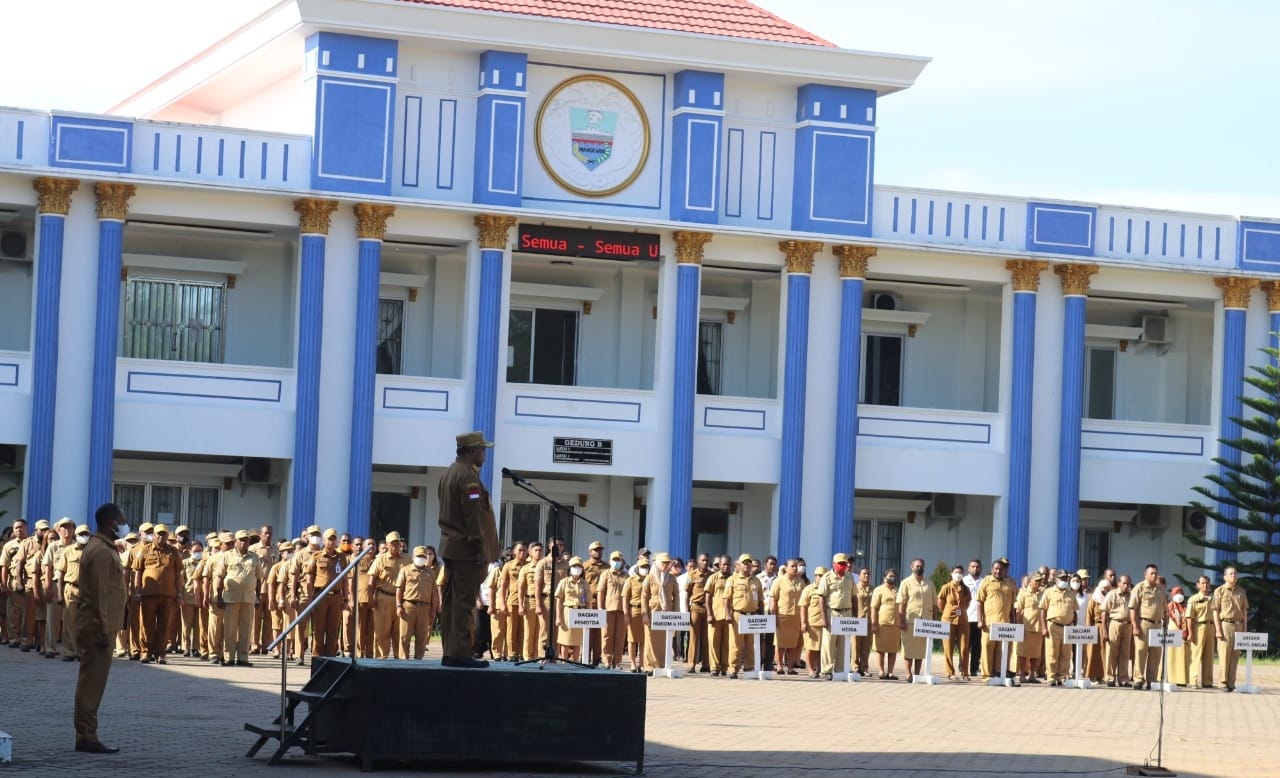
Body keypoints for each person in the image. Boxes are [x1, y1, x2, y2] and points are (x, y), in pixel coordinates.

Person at [436, 430, 500, 668]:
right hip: (467, 549)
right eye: (482, 449)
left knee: (453, 603)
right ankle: (461, 654)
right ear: (472, 451)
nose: (484, 454)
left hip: (453, 546)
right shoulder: (468, 478)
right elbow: (472, 517)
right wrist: (479, 545)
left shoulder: (450, 473)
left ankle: (451, 651)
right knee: (464, 603)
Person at [74, 503, 128, 754]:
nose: (126, 525)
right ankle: (87, 735)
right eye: (122, 521)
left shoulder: (104, 548)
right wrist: (104, 630)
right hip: (98, 629)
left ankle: (87, 733)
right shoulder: (102, 552)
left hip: (100, 626)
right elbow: (98, 596)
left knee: (93, 681)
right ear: (112, 524)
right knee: (91, 683)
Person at [212, 529, 265, 667]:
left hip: (248, 598)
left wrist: (257, 597)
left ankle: (243, 657)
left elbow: (258, 578)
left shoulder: (254, 557)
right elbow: (220, 577)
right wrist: (218, 597)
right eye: (240, 540)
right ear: (236, 542)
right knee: (230, 628)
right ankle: (228, 656)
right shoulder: (227, 556)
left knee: (246, 629)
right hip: (230, 597)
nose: (243, 542)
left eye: (246, 540)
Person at [132, 523, 183, 664]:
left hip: (168, 596)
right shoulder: (144, 550)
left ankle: (161, 653)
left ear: (167, 536)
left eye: (164, 534)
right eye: (159, 534)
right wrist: (137, 591)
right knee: (146, 624)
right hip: (148, 595)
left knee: (164, 625)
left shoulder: (173, 552)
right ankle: (146, 652)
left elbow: (178, 574)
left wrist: (179, 594)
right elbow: (138, 572)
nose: (161, 537)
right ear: (154, 535)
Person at [303, 528, 349, 659]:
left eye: (333, 539)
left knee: (333, 629)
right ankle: (317, 658)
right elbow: (309, 578)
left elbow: (345, 580)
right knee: (318, 629)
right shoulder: (316, 556)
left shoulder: (341, 558)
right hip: (320, 595)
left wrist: (346, 599)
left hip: (336, 596)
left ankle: (330, 659)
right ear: (323, 541)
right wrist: (310, 598)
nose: (331, 542)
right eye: (329, 539)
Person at [367, 531, 408, 658]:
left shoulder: (408, 559)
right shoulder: (380, 559)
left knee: (400, 634)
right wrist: (370, 598)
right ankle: (380, 662)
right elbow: (372, 581)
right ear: (387, 544)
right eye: (392, 543)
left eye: (397, 542)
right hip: (383, 599)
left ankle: (400, 664)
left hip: (402, 601)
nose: (395, 545)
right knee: (381, 633)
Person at [814, 553, 855, 679]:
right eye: (840, 563)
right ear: (834, 564)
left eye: (845, 563)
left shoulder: (849, 577)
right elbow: (821, 598)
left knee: (844, 643)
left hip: (847, 613)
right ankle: (826, 671)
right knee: (829, 643)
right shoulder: (827, 577)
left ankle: (841, 670)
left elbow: (854, 596)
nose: (843, 566)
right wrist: (823, 618)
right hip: (832, 613)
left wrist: (856, 616)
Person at [396, 546, 440, 659]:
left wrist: (433, 610)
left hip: (424, 608)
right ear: (413, 556)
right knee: (404, 637)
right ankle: (403, 662)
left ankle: (418, 662)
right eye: (419, 556)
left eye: (423, 556)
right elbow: (399, 589)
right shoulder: (405, 570)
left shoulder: (430, 572)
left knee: (422, 638)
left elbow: (434, 593)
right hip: (408, 606)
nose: (421, 558)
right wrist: (398, 605)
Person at [976, 557, 1017, 681]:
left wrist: (1014, 621)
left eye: (1000, 569)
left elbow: (1012, 605)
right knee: (988, 649)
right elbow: (979, 602)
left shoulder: (1009, 583)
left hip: (1004, 622)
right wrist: (980, 620)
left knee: (1002, 650)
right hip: (988, 623)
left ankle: (999, 673)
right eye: (996, 569)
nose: (998, 571)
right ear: (992, 569)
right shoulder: (986, 582)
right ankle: (987, 675)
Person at [1129, 563, 1168, 690]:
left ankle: (1152, 679)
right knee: (1141, 651)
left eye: (1156, 573)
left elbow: (1165, 608)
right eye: (1152, 573)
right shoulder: (1139, 588)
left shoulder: (1160, 589)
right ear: (1145, 574)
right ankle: (1139, 679)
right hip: (1143, 623)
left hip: (1157, 624)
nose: (1154, 575)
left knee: (1156, 653)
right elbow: (1132, 608)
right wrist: (1135, 625)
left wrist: (1165, 623)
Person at [55, 524, 90, 661]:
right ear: (76, 535)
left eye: (86, 534)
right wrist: (59, 593)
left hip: (88, 591)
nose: (83, 537)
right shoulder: (68, 551)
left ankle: (81, 651)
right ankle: (69, 652)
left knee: (85, 623)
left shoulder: (93, 552)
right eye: (81, 534)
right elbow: (60, 573)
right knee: (69, 622)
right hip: (71, 588)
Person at [897, 558, 936, 682]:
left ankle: (917, 674)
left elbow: (934, 604)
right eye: (917, 566)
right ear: (911, 567)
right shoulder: (906, 583)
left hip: (925, 621)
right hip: (910, 620)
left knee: (920, 650)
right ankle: (908, 673)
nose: (919, 568)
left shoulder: (930, 583)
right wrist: (901, 621)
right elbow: (901, 603)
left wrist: (934, 621)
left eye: (921, 566)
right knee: (909, 649)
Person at [725, 553, 762, 678]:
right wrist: (727, 614)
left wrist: (761, 614)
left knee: (751, 644)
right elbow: (727, 599)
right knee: (736, 644)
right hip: (738, 615)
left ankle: (749, 667)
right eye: (744, 563)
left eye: (749, 563)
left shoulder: (756, 581)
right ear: (739, 565)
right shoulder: (732, 580)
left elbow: (760, 600)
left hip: (752, 616)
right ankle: (733, 668)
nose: (747, 565)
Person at [1212, 566, 1249, 692]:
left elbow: (1244, 611)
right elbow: (1215, 612)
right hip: (1225, 625)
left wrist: (1245, 629)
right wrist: (1217, 629)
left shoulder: (1241, 592)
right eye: (1231, 574)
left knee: (1235, 655)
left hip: (1238, 625)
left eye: (1235, 574)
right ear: (1225, 576)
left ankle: (1231, 683)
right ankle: (1222, 682)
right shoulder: (1219, 591)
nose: (1234, 576)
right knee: (1224, 655)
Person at [641, 552, 679, 672]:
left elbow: (676, 595)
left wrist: (676, 612)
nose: (666, 565)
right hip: (652, 612)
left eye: (668, 563)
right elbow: (644, 597)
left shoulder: (672, 578)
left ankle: (662, 665)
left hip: (666, 613)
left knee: (664, 640)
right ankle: (649, 666)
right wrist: (645, 614)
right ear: (657, 563)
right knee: (650, 640)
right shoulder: (650, 578)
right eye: (664, 563)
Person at [1041, 570, 1076, 686]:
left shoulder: (1071, 594)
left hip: (1067, 627)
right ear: (1055, 579)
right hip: (1053, 625)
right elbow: (1042, 611)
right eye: (1062, 578)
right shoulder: (1049, 592)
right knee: (1052, 653)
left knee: (1066, 654)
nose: (1064, 581)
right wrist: (1043, 627)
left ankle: (1062, 677)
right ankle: (1051, 677)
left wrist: (1073, 627)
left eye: (1066, 578)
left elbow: (1074, 611)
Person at [770, 559, 804, 674]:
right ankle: (779, 666)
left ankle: (790, 667)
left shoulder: (800, 582)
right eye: (792, 566)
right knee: (780, 643)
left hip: (796, 616)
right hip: (782, 615)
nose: (795, 568)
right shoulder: (779, 581)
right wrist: (773, 615)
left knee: (792, 643)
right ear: (786, 567)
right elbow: (773, 598)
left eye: (796, 566)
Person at [937, 564, 971, 680]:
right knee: (948, 647)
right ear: (952, 574)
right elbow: (940, 603)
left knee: (964, 647)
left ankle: (965, 672)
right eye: (956, 572)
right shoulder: (946, 587)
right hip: (948, 620)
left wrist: (960, 610)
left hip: (963, 620)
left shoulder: (966, 589)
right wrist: (947, 611)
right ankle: (950, 672)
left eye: (960, 572)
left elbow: (967, 604)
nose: (958, 575)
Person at [554, 556, 589, 660]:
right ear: (570, 568)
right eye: (574, 566)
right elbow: (559, 600)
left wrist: (589, 617)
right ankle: (564, 662)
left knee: (577, 641)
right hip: (567, 612)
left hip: (580, 612)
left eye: (579, 566)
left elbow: (588, 601)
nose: (577, 568)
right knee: (565, 641)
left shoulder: (585, 583)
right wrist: (558, 617)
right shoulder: (564, 582)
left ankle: (575, 662)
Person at [598, 550, 629, 669]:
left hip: (622, 610)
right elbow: (601, 592)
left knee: (620, 637)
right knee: (606, 635)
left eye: (618, 560)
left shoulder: (626, 576)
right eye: (614, 560)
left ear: (622, 562)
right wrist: (600, 608)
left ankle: (617, 662)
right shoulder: (606, 574)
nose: (616, 562)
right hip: (608, 609)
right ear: (610, 561)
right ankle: (606, 660)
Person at [1101, 575, 1133, 687]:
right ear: (1119, 583)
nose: (1126, 586)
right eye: (1124, 583)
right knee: (1112, 652)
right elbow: (1104, 612)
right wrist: (1104, 630)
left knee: (1125, 653)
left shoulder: (1131, 596)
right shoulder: (1112, 594)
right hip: (1115, 623)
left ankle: (1123, 678)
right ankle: (1110, 677)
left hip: (1128, 625)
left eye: (1128, 584)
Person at [870, 568, 900, 679]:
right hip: (882, 623)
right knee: (881, 649)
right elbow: (874, 607)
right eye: (890, 576)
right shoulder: (879, 590)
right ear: (884, 577)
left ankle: (890, 672)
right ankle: (881, 671)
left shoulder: (897, 590)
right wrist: (874, 623)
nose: (892, 578)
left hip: (895, 624)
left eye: (894, 576)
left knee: (893, 650)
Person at [704, 555, 732, 677]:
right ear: (719, 565)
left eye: (728, 564)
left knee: (727, 643)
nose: (726, 566)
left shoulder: (734, 578)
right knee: (714, 642)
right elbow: (708, 597)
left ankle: (725, 667)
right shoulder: (713, 578)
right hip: (715, 615)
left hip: (730, 616)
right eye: (724, 564)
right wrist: (709, 614)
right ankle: (714, 667)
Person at [1185, 575, 1214, 688]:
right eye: (1202, 583)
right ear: (1198, 585)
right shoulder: (1193, 599)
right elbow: (1189, 618)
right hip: (1198, 627)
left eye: (1207, 583)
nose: (1205, 585)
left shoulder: (1213, 599)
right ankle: (1193, 681)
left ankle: (1207, 681)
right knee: (1196, 655)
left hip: (1211, 627)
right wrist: (1190, 633)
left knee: (1209, 656)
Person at [1014, 574, 1044, 683]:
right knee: (1023, 653)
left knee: (1035, 654)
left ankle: (1032, 675)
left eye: (1039, 581)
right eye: (1036, 581)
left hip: (1038, 628)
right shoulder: (1023, 593)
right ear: (1030, 581)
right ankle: (1022, 674)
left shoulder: (1043, 593)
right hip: (1026, 628)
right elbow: (1018, 611)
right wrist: (1019, 626)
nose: (1038, 583)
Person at [582, 541, 608, 665]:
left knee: (599, 633)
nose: (598, 552)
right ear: (590, 552)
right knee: (588, 631)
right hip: (589, 602)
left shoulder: (607, 567)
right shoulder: (584, 566)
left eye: (600, 550)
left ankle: (597, 658)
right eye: (596, 550)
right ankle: (585, 657)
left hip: (602, 603)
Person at [684, 553, 712, 673]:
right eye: (703, 560)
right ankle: (691, 664)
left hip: (709, 609)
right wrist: (686, 610)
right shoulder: (692, 575)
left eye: (707, 560)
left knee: (707, 637)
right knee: (694, 637)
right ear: (698, 561)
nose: (705, 562)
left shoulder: (712, 575)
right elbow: (687, 593)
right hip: (696, 607)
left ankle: (706, 664)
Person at [799, 566, 827, 678]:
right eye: (819, 575)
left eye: (823, 576)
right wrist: (803, 622)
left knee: (822, 649)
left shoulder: (828, 590)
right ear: (815, 576)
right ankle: (810, 668)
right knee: (810, 648)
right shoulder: (809, 589)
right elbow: (803, 607)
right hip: (812, 623)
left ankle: (820, 668)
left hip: (825, 623)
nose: (821, 578)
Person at [621, 556, 648, 672]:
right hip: (634, 611)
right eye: (642, 567)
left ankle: (642, 664)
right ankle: (632, 663)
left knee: (643, 639)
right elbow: (625, 598)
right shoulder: (631, 580)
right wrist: (626, 614)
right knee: (632, 639)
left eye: (647, 567)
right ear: (637, 568)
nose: (644, 569)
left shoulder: (650, 580)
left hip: (647, 612)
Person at [1165, 585, 1190, 686]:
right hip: (1172, 634)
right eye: (1176, 594)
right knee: (1172, 657)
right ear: (1172, 595)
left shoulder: (1186, 607)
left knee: (1182, 657)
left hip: (1183, 636)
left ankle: (1181, 680)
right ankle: (1171, 678)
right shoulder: (1169, 606)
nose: (1179, 596)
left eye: (1180, 593)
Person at [852, 566, 874, 675]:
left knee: (866, 646)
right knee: (856, 645)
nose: (866, 576)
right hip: (857, 619)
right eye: (864, 574)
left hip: (869, 620)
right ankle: (855, 667)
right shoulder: (854, 588)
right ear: (859, 576)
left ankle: (864, 667)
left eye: (868, 574)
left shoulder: (873, 589)